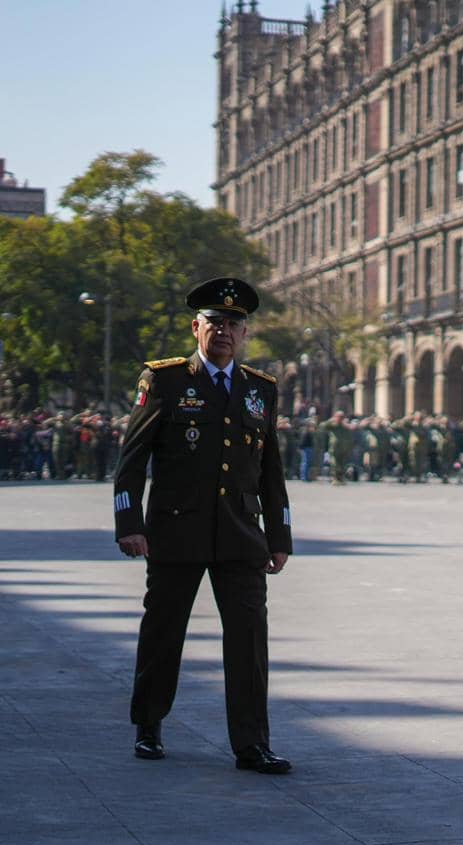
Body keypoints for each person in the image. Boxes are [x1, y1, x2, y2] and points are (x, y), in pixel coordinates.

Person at [113, 276, 293, 774]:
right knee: (163, 634)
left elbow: (271, 471)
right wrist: (130, 523)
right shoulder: (165, 380)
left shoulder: (260, 389)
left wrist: (279, 536)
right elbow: (130, 461)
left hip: (240, 535)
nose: (225, 332)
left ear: (245, 333)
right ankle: (148, 726)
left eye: (234, 324)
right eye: (215, 322)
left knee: (249, 643)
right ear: (196, 327)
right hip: (176, 531)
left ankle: (252, 744)